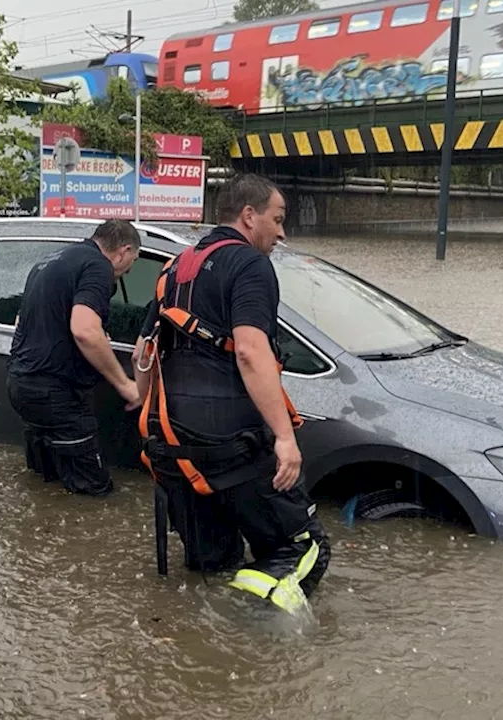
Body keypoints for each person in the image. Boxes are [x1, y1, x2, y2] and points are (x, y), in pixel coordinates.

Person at [132, 174, 330, 616]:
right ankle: (248, 642)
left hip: (171, 447)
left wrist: (145, 411)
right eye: (277, 220)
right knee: (304, 549)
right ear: (248, 215)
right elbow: (249, 349)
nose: (282, 232)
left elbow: (143, 359)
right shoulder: (250, 266)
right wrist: (283, 436)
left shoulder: (172, 268)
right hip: (232, 442)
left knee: (212, 564)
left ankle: (203, 650)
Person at [6, 219, 142, 497]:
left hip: (21, 384)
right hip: (56, 393)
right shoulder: (97, 266)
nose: (128, 271)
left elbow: (21, 320)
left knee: (47, 485)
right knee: (95, 493)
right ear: (124, 251)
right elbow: (85, 331)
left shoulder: (51, 261)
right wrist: (125, 385)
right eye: (133, 261)